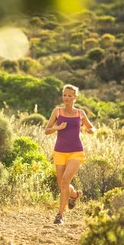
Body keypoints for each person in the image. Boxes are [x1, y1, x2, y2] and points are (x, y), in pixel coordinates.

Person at [44, 84, 95, 224]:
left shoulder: (80, 113)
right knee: (62, 185)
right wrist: (58, 127)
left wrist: (91, 130)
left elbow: (91, 127)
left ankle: (59, 215)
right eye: (64, 95)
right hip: (59, 151)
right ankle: (74, 195)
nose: (66, 97)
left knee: (65, 181)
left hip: (76, 151)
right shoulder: (57, 111)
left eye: (69, 95)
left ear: (75, 98)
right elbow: (47, 130)